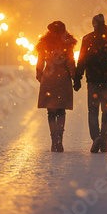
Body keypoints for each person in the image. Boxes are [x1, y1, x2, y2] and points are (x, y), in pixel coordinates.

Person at [74, 14, 107, 153]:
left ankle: (96, 138)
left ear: (94, 24)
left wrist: (78, 78)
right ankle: (104, 142)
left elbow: (82, 60)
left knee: (92, 111)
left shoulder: (87, 39)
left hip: (92, 80)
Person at [36, 21, 77, 152]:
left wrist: (39, 74)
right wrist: (75, 76)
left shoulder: (44, 43)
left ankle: (53, 138)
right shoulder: (67, 43)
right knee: (61, 110)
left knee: (51, 111)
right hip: (63, 79)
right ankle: (59, 136)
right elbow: (70, 61)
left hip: (48, 78)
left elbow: (40, 60)